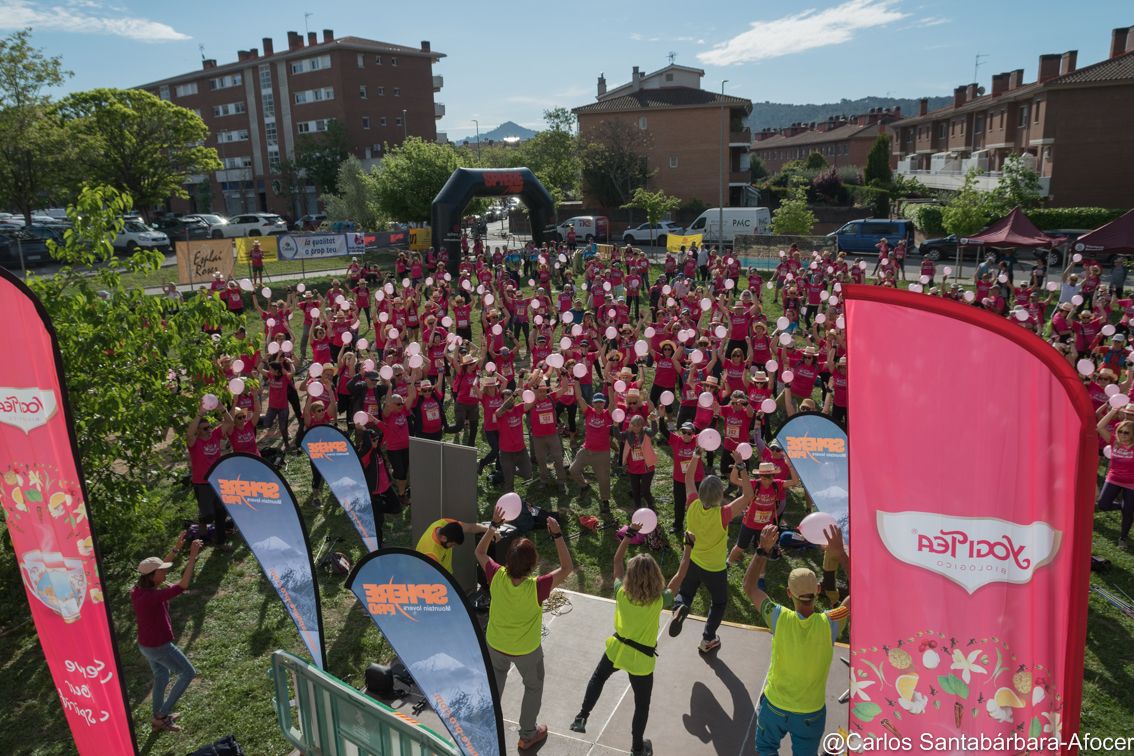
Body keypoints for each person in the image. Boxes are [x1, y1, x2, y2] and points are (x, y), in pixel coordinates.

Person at [569, 523, 694, 756]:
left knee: (598, 678)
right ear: (655, 575)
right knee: (641, 705)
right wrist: (688, 547)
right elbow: (681, 574)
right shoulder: (660, 600)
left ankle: (582, 717)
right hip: (642, 659)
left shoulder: (621, 592)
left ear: (630, 574)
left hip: (617, 649)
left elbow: (617, 561)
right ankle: (637, 748)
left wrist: (628, 536)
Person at [743, 524, 849, 756]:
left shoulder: (778, 617)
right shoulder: (831, 622)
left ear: (789, 593)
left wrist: (762, 550)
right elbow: (862, 590)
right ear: (818, 590)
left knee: (766, 749)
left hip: (774, 708)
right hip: (811, 713)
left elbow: (749, 587)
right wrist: (840, 554)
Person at [475, 506, 573, 751]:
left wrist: (493, 526)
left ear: (508, 559)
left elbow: (480, 551)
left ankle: (486, 726)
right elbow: (566, 568)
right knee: (533, 686)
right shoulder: (537, 587)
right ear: (533, 564)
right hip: (526, 652)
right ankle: (528, 735)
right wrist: (557, 535)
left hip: (495, 644)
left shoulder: (495, 574)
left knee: (495, 682)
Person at [668, 447, 752, 653]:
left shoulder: (692, 504)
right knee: (719, 602)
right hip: (714, 568)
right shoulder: (723, 514)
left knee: (685, 593)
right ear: (720, 496)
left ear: (701, 491)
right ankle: (707, 639)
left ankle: (678, 608)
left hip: (692, 561)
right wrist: (741, 466)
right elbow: (748, 495)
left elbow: (688, 478)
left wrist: (696, 455)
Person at [132, 533, 203, 733]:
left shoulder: (139, 589)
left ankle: (158, 718)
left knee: (162, 675)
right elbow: (183, 585)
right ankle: (162, 716)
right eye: (162, 572)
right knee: (188, 673)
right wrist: (192, 556)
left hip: (146, 645)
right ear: (151, 576)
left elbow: (158, 569)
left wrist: (176, 548)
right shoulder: (151, 597)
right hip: (159, 646)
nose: (165, 574)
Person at [1096, 405, 1134, 549]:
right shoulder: (1114, 441)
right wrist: (1113, 411)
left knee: (1127, 513)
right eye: (1120, 432)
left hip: (1132, 483)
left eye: (1126, 433)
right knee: (1103, 504)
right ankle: (1124, 506)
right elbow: (1100, 426)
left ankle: (1123, 538)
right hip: (1114, 478)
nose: (1122, 434)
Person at [415, 517, 491, 574]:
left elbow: (470, 528)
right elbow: (431, 578)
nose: (453, 547)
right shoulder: (430, 553)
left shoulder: (444, 523)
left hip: (445, 574)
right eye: (452, 544)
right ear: (444, 538)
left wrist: (490, 530)